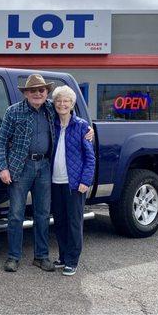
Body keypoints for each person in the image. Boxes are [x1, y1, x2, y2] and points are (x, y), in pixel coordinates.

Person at [0, 74, 58, 272]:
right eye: (33, 90)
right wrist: (3, 168)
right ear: (26, 93)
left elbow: (70, 119)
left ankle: (41, 256)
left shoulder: (52, 109)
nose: (38, 93)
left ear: (47, 92)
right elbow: (1, 142)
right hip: (19, 168)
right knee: (15, 215)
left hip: (45, 167)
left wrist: (87, 130)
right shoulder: (13, 112)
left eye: (41, 90)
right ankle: (13, 257)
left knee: (43, 214)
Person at [50, 85, 96, 276]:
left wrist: (86, 180)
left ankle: (72, 260)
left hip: (75, 184)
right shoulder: (51, 124)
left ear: (72, 104)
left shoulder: (82, 126)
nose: (62, 104)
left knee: (74, 222)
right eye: (58, 101)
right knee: (59, 221)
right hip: (54, 182)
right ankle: (63, 256)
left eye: (66, 101)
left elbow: (90, 158)